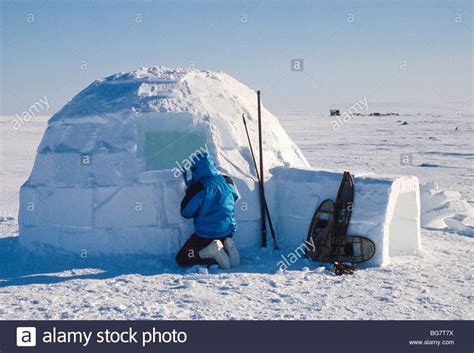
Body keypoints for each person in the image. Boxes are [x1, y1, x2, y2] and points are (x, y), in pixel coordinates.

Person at [175, 153, 240, 269]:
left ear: (195, 169)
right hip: (228, 230)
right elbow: (234, 198)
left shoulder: (198, 188)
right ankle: (227, 246)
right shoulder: (227, 180)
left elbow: (186, 212)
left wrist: (189, 191)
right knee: (222, 237)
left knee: (182, 258)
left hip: (206, 235)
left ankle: (212, 252)